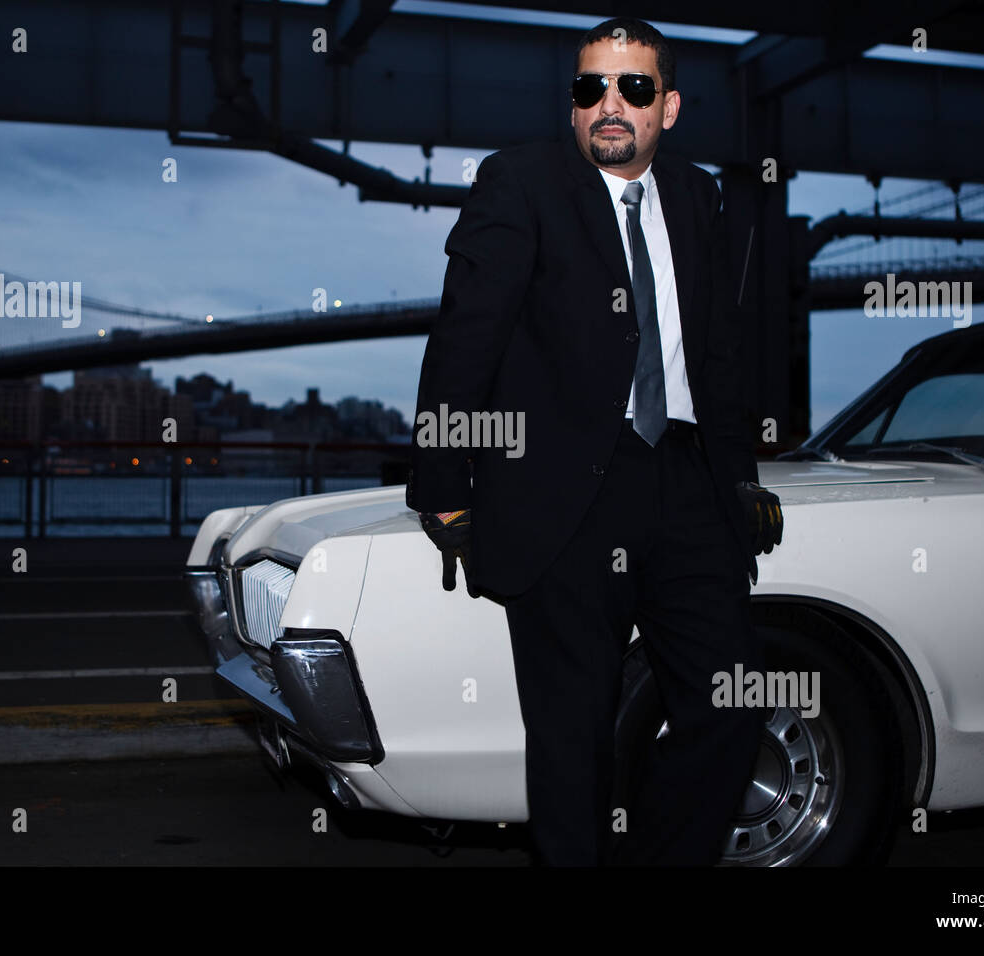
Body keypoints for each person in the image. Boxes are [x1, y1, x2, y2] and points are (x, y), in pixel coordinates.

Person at [406, 16, 784, 866]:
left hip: (686, 483)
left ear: (670, 107)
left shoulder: (698, 197)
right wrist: (443, 486)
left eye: (633, 89)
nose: (610, 105)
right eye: (591, 89)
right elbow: (466, 339)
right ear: (573, 105)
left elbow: (717, 353)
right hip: (565, 494)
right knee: (574, 735)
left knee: (729, 706)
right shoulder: (519, 183)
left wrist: (741, 481)